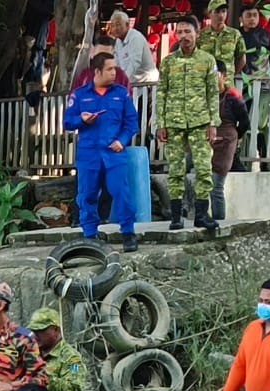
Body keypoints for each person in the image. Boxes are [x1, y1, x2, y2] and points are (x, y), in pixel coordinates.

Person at [64, 53, 141, 252]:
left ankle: (128, 233)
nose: (114, 72)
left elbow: (132, 122)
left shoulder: (121, 93)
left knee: (120, 192)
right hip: (89, 154)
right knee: (87, 194)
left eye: (114, 68)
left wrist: (122, 141)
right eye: (110, 69)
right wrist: (82, 119)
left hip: (114, 152)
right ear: (97, 71)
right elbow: (67, 122)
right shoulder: (80, 95)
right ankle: (90, 235)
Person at [157, 17, 221, 230]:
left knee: (203, 168)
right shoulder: (168, 62)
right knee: (175, 170)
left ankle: (202, 214)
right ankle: (176, 216)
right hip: (173, 122)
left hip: (200, 122)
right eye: (180, 32)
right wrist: (160, 123)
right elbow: (161, 93)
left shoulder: (207, 60)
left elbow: (213, 93)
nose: (184, 36)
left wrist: (213, 123)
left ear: (197, 33)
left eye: (188, 31)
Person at [210, 61, 250, 221]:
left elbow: (245, 123)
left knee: (216, 185)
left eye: (215, 74)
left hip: (227, 140)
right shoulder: (207, 96)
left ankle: (219, 223)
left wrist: (233, 139)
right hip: (208, 139)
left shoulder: (233, 96)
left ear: (224, 76)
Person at [108, 10, 159, 84]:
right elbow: (117, 64)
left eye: (118, 24)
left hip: (147, 83)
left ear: (127, 25)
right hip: (133, 85)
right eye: (113, 25)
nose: (115, 28)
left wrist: (123, 82)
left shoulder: (135, 38)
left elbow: (134, 64)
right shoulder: (118, 41)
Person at [198, 0, 245, 77]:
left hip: (227, 83)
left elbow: (242, 59)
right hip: (206, 81)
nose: (221, 15)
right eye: (217, 12)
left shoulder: (234, 34)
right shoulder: (201, 35)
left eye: (224, 11)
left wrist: (231, 74)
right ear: (209, 13)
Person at [238, 5, 270, 77]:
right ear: (241, 19)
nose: (252, 19)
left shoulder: (267, 36)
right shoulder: (236, 35)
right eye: (248, 15)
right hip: (240, 79)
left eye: (255, 15)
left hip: (261, 80)